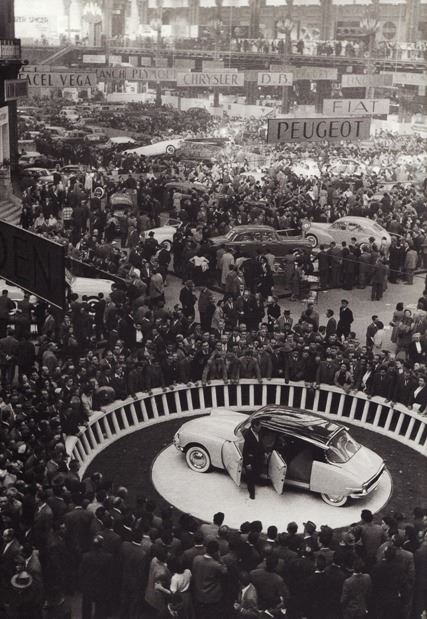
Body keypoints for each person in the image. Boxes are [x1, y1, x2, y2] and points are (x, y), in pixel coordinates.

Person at [242, 418, 264, 499]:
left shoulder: (259, 432)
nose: (261, 427)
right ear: (254, 426)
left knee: (257, 472)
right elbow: (245, 451)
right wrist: (247, 463)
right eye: (259, 426)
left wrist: (264, 452)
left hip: (258, 458)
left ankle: (257, 480)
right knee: (250, 477)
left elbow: (260, 443)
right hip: (250, 460)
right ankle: (251, 492)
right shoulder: (247, 435)